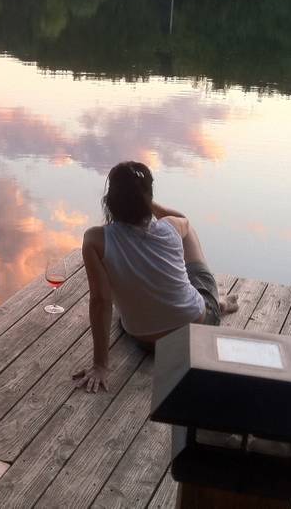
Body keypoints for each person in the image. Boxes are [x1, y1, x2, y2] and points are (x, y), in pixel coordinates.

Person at [72, 161, 239, 393]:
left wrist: (100, 365)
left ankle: (199, 298)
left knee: (125, 309)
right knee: (196, 271)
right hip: (196, 329)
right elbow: (185, 220)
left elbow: (101, 300)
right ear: (148, 198)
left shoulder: (95, 240)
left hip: (147, 341)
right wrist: (148, 203)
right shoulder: (170, 226)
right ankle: (215, 303)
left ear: (110, 200)